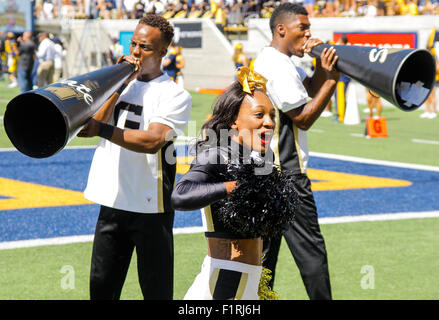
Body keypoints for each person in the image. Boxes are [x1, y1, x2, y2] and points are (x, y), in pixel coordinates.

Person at [77, 14, 192, 300]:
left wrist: (102, 129)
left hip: (149, 206)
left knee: (156, 291)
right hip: (113, 200)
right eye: (134, 45)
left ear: (164, 52)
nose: (136, 53)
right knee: (101, 288)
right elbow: (89, 128)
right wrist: (112, 85)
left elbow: (153, 141)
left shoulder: (175, 94)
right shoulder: (122, 84)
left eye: (146, 47)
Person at [171, 67, 295, 300]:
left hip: (251, 277)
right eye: (259, 115)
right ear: (234, 121)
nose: (269, 122)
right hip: (225, 280)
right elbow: (180, 195)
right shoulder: (216, 154)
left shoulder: (261, 158)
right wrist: (233, 187)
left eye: (272, 116)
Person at [253, 3, 339, 300]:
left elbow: (308, 90)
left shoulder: (273, 60)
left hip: (263, 173)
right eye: (302, 27)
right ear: (281, 29)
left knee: (263, 259)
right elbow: (302, 117)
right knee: (311, 254)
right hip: (287, 176)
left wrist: (321, 70)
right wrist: (332, 80)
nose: (308, 33)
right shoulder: (278, 65)